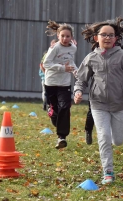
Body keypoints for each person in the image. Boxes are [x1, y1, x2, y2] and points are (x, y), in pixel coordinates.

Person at [73, 17, 123, 184]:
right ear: (96, 38)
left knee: (117, 140)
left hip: (119, 104)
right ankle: (108, 172)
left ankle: (111, 140)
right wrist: (78, 91)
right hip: (98, 104)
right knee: (103, 136)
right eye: (104, 35)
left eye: (111, 35)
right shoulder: (91, 58)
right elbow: (81, 79)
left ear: (116, 38)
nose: (108, 38)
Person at [43, 20, 77, 149]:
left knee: (65, 107)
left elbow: (71, 62)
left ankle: (61, 137)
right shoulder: (55, 48)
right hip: (51, 82)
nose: (65, 38)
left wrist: (76, 73)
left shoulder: (73, 48)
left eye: (67, 36)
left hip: (64, 83)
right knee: (56, 110)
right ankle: (52, 111)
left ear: (71, 37)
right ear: (58, 36)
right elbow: (46, 64)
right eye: (62, 36)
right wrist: (62, 68)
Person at [40, 39, 58, 111]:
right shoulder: (47, 54)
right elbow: (42, 65)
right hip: (46, 77)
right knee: (46, 92)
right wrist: (46, 74)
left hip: (55, 78)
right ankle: (46, 105)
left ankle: (52, 105)